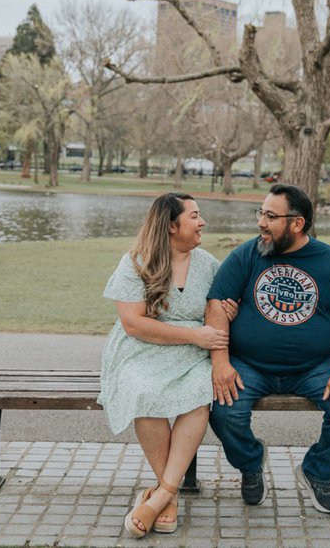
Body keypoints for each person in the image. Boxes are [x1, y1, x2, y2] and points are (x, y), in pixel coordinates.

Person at [204, 183, 330, 515]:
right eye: (260, 213)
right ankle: (251, 464)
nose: (261, 222)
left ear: (297, 223)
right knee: (224, 412)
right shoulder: (246, 255)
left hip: (314, 366)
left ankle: (317, 472)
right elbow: (216, 307)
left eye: (270, 216)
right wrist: (220, 363)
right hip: (250, 365)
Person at [98, 192, 236, 539]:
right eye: (194, 216)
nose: (202, 222)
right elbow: (133, 324)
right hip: (141, 349)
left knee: (198, 393)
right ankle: (168, 495)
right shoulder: (136, 262)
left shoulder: (208, 264)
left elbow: (224, 306)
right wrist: (194, 336)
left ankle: (159, 496)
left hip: (191, 354)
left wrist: (229, 311)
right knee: (143, 391)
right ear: (172, 226)